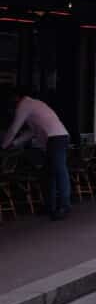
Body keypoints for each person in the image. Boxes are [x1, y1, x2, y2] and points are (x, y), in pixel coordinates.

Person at [1, 87, 71, 220]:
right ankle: (50, 206)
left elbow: (14, 128)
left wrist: (4, 146)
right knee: (48, 174)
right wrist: (14, 144)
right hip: (58, 137)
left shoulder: (24, 105)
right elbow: (32, 132)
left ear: (16, 97)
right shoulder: (36, 104)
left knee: (59, 171)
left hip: (55, 138)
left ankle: (64, 206)